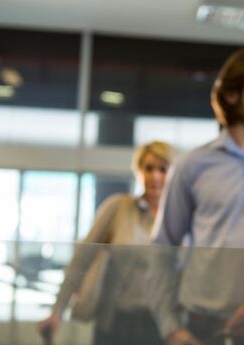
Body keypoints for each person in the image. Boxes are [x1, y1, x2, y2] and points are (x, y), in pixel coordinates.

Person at [147, 46, 244, 345]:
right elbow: (161, 250)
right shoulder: (193, 165)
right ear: (231, 95)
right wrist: (172, 329)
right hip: (204, 330)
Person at [36, 141, 173, 345]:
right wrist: (57, 310)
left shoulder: (178, 216)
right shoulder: (118, 208)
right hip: (117, 322)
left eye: (163, 169)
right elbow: (81, 260)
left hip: (163, 325)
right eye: (149, 168)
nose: (155, 176)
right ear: (139, 171)